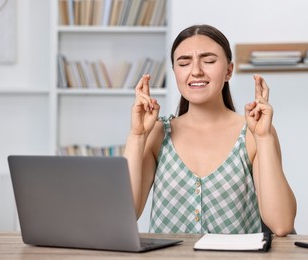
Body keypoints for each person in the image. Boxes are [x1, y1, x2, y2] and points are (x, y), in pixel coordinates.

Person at [124, 24, 296, 236]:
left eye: (209, 61)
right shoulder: (157, 134)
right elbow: (124, 217)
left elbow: (281, 224)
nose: (196, 71)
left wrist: (264, 138)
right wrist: (137, 136)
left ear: (228, 71)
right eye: (184, 63)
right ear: (176, 72)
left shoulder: (254, 133)